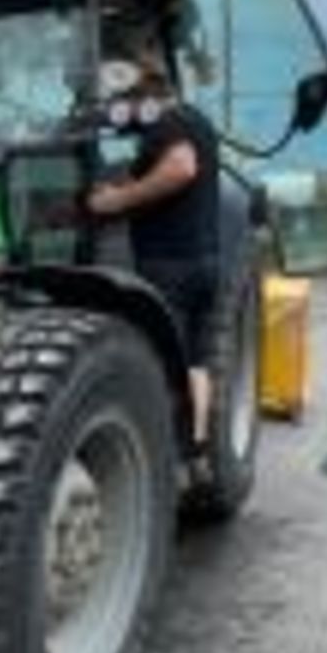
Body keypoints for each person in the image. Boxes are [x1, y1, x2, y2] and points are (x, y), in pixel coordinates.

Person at [85, 48, 221, 452]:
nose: (119, 109)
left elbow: (182, 167)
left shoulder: (166, 120)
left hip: (170, 265)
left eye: (123, 99)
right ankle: (194, 447)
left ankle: (163, 457)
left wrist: (118, 200)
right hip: (204, 263)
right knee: (194, 361)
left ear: (144, 94)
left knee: (160, 366)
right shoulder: (198, 120)